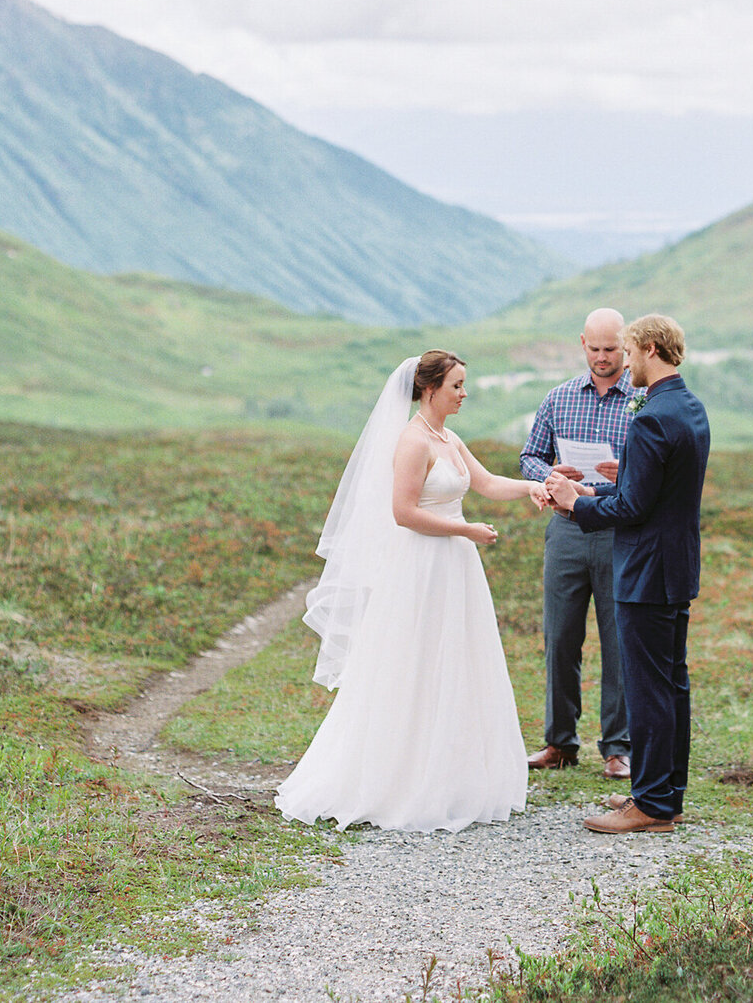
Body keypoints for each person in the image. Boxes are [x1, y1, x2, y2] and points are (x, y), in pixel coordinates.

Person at [276, 350, 547, 833]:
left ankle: (452, 773)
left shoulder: (449, 438)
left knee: (457, 660)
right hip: (420, 568)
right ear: (430, 389)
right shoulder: (412, 442)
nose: (464, 394)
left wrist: (532, 487)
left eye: (464, 385)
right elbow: (402, 513)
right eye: (457, 386)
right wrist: (464, 531)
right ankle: (397, 777)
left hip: (455, 570)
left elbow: (483, 483)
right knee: (413, 662)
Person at [547, 314, 709, 834]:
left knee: (649, 691)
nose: (627, 364)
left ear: (652, 349)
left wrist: (577, 505)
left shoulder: (651, 418)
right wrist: (608, 488)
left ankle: (652, 806)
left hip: (646, 571)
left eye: (632, 352)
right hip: (675, 567)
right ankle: (665, 795)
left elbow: (635, 509)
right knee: (671, 687)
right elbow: (656, 493)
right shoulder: (688, 407)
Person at [520, 308, 636, 780]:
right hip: (567, 530)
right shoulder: (559, 397)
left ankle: (618, 747)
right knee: (560, 637)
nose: (604, 358)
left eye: (612, 350)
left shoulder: (644, 401)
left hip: (619, 531)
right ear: (582, 343)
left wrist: (623, 476)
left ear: (626, 347)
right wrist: (548, 475)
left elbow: (657, 473)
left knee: (619, 640)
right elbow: (530, 454)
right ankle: (559, 742)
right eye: (596, 349)